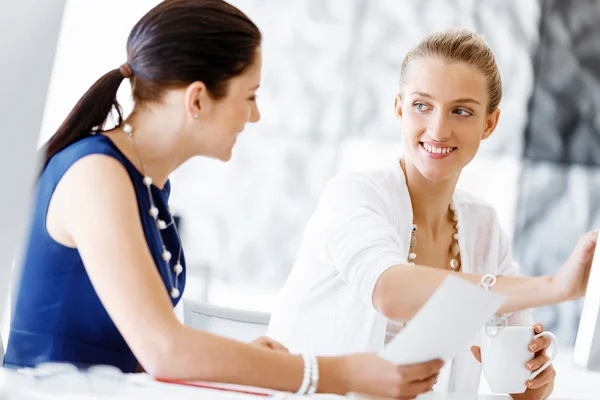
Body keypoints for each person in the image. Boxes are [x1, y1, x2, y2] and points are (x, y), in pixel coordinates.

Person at [2, 0, 449, 398]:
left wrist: (237, 360)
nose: (255, 115)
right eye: (249, 96)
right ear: (197, 99)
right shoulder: (97, 174)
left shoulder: (143, 183)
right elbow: (164, 351)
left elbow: (138, 348)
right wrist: (340, 374)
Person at [267, 27, 598, 399]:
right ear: (399, 109)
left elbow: (518, 383)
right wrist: (553, 287)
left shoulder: (484, 227)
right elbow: (389, 291)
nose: (438, 130)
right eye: (422, 105)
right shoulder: (353, 196)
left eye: (461, 111)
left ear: (489, 124)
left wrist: (534, 381)